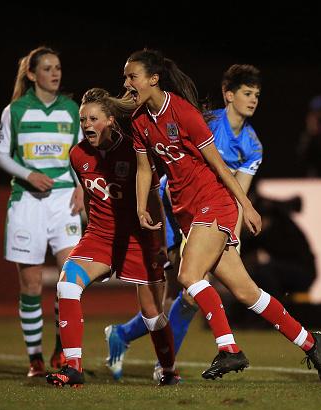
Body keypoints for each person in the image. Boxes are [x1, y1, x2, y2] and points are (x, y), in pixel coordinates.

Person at [125, 49, 321, 384]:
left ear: (153, 79)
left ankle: (228, 349)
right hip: (185, 212)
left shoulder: (186, 114)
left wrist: (245, 206)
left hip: (214, 202)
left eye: (131, 76)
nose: (127, 83)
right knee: (248, 293)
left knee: (190, 276)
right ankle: (311, 343)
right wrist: (139, 206)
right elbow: (143, 170)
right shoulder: (139, 121)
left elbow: (221, 168)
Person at [104, 64, 266, 381]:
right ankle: (156, 358)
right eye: (247, 93)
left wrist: (231, 235)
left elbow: (238, 192)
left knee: (190, 293)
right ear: (228, 95)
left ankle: (140, 347)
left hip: (209, 211)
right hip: (175, 206)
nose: (253, 100)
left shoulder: (253, 145)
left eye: (257, 95)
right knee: (175, 289)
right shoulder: (207, 122)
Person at [45, 88, 179, 387]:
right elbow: (93, 199)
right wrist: (91, 233)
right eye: (82, 120)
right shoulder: (78, 154)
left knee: (153, 313)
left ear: (110, 120)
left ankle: (169, 372)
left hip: (138, 239)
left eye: (94, 118)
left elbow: (155, 200)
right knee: (67, 284)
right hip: (100, 237)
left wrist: (158, 243)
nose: (87, 125)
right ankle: (73, 367)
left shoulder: (135, 151)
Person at [0, 47, 84, 377]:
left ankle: (63, 349)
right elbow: (1, 155)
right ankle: (35, 357)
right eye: (47, 69)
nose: (55, 73)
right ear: (32, 75)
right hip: (27, 202)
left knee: (69, 277)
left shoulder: (73, 109)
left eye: (58, 67)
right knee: (31, 285)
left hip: (63, 203)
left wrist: (81, 186)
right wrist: (28, 174)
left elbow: (78, 154)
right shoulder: (15, 110)